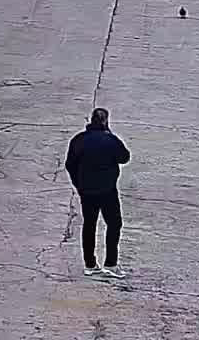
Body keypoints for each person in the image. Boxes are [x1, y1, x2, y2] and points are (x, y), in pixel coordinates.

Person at [65, 107, 131, 278]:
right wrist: (108, 134)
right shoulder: (110, 140)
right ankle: (111, 263)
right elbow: (124, 157)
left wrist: (78, 184)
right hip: (107, 190)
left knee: (89, 225)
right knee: (114, 224)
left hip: (86, 191)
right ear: (105, 121)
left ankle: (90, 264)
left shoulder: (78, 140)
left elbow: (70, 164)